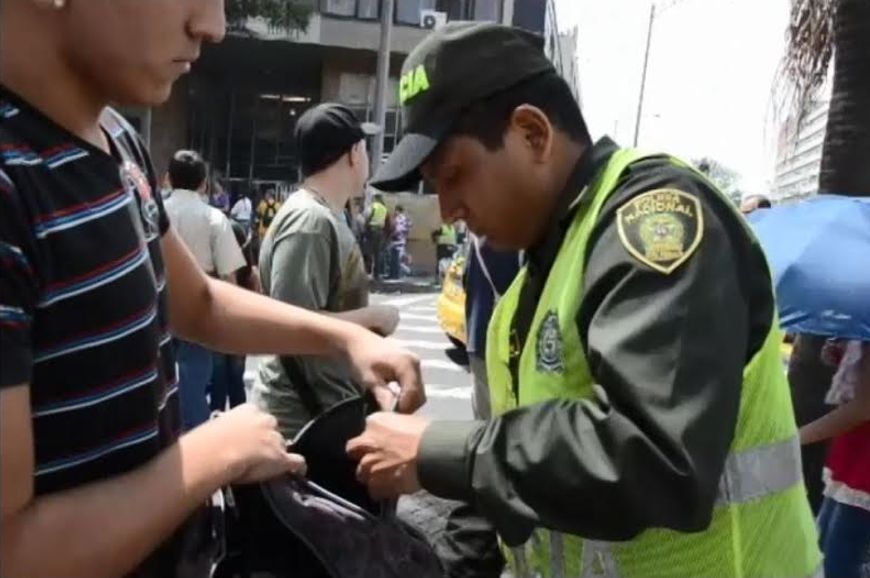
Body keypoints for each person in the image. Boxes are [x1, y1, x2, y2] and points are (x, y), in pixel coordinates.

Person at [346, 22, 821, 577]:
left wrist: (444, 451)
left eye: (454, 175)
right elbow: (509, 489)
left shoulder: (655, 222)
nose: (449, 208)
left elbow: (656, 455)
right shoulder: (527, 288)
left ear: (532, 134)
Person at [0, 3, 424, 578]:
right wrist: (213, 453)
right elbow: (13, 549)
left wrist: (346, 337)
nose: (214, 25)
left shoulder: (117, 140)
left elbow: (195, 300)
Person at [250, 102, 395, 439]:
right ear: (354, 154)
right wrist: (374, 316)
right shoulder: (310, 221)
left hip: (320, 411)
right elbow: (291, 325)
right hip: (300, 425)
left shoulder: (325, 215)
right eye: (365, 148)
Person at [163, 150, 247, 430]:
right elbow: (228, 275)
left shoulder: (151, 213)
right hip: (196, 307)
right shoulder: (214, 218)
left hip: (156, 306)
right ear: (204, 184)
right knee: (194, 385)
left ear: (167, 179)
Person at [801, 340, 870, 578]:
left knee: (838, 558)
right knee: (826, 548)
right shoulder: (859, 329)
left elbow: (863, 407)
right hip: (852, 457)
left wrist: (794, 439)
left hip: (863, 469)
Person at [209, 220, 261, 415]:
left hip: (219, 330)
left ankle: (217, 421)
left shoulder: (217, 270)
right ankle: (240, 420)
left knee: (218, 378)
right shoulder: (250, 274)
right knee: (236, 379)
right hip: (241, 331)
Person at [366, 192, 389, 279]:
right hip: (380, 231)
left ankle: (368, 272)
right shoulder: (384, 208)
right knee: (377, 253)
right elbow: (387, 221)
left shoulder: (374, 205)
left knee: (369, 251)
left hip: (372, 230)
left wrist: (366, 225)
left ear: (375, 199)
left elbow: (369, 216)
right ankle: (377, 274)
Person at [388, 204, 412, 280]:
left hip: (396, 240)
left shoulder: (398, 218)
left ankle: (402, 273)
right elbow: (409, 226)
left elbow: (397, 229)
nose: (394, 212)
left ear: (398, 210)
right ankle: (396, 274)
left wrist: (391, 234)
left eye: (396, 210)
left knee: (395, 259)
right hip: (402, 240)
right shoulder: (406, 218)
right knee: (397, 258)